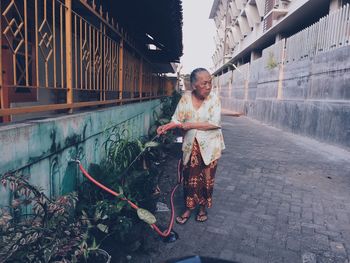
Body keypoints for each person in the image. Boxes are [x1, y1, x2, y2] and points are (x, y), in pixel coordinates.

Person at [157, 68, 225, 224]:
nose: (209, 86)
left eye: (210, 82)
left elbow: (215, 123)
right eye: (204, 83)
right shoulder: (185, 99)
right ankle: (188, 208)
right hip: (191, 147)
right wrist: (166, 127)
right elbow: (176, 119)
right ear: (194, 85)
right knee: (190, 179)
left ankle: (202, 209)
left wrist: (189, 125)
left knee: (207, 179)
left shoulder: (214, 99)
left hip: (211, 147)